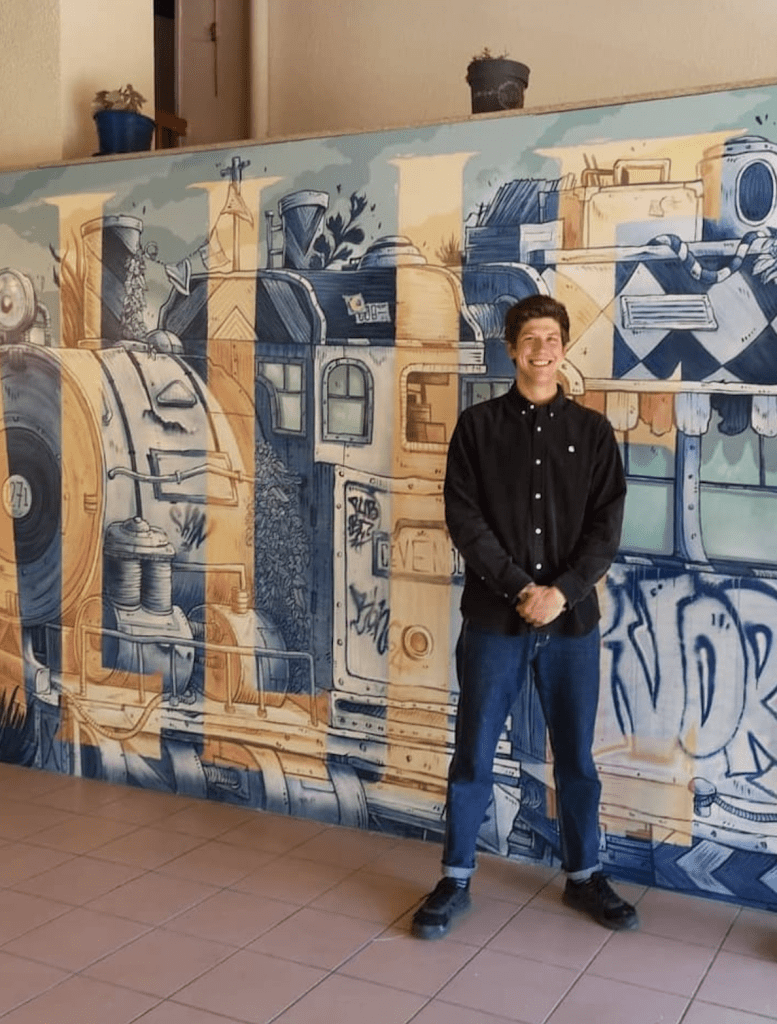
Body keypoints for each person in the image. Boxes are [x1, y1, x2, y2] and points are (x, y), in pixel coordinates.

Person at [412, 294, 637, 939]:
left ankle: (584, 876)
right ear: (511, 349)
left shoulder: (594, 434)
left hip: (573, 625)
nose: (542, 350)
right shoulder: (476, 428)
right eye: (530, 339)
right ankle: (455, 879)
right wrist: (520, 590)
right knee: (473, 753)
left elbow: (606, 528)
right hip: (494, 621)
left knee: (576, 759)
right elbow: (464, 519)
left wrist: (560, 593)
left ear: (564, 349)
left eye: (552, 339)